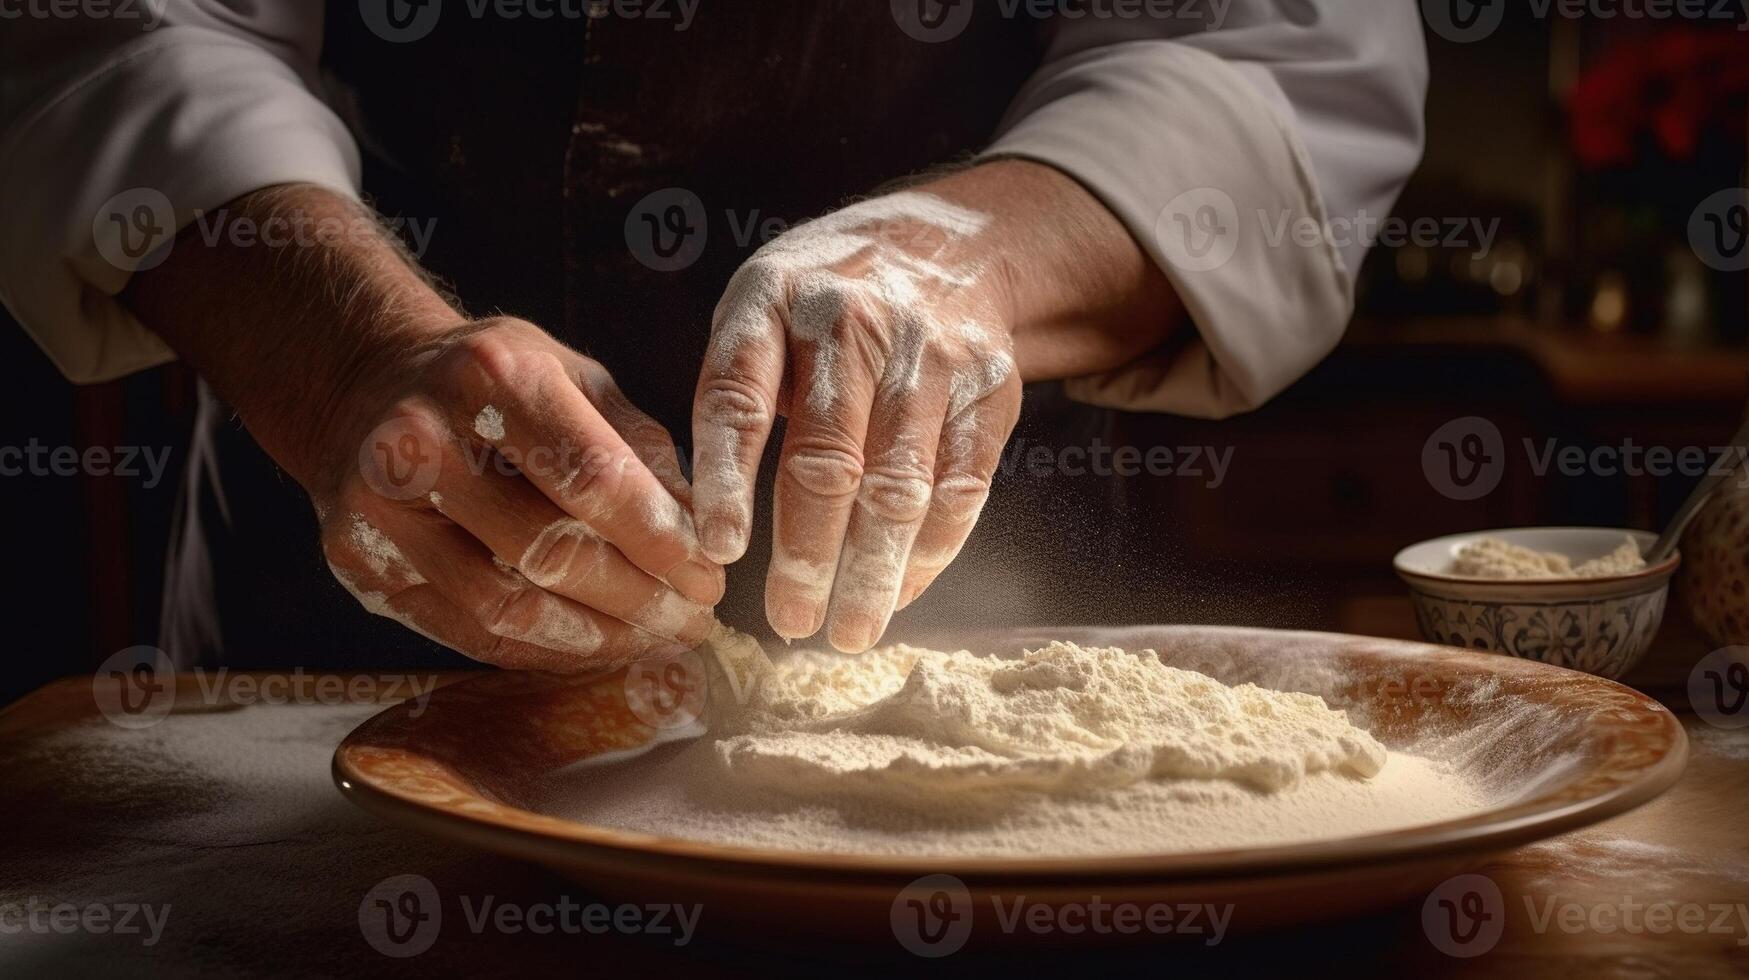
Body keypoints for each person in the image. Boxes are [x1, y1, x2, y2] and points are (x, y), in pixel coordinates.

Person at [0, 2, 1428, 672]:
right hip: (342, 615)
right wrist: (353, 357)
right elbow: (118, 32)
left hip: (991, 599)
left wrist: (963, 262)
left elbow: (1270, 54)